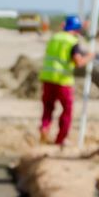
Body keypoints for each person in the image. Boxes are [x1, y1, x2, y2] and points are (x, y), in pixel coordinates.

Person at [38, 14, 91, 145]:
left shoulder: (54, 37)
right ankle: (61, 138)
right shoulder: (72, 42)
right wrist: (90, 57)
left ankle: (45, 128)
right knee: (67, 110)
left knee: (48, 108)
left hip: (47, 78)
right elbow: (78, 62)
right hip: (63, 80)